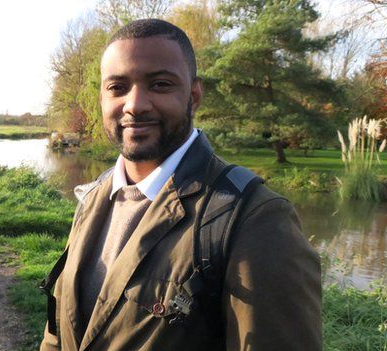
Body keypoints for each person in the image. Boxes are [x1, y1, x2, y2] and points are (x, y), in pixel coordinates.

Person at [39, 19, 321, 351]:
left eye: (159, 84)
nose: (135, 104)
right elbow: (57, 333)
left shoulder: (256, 220)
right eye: (117, 87)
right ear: (102, 97)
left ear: (194, 95)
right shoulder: (92, 199)